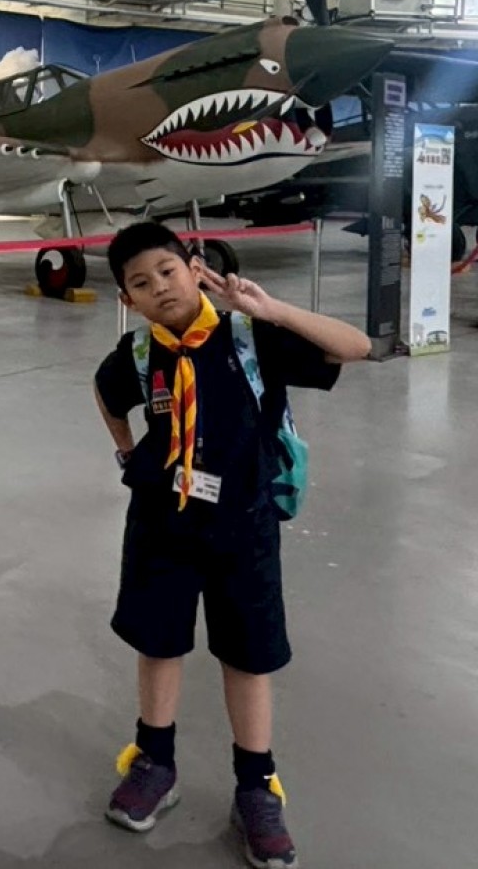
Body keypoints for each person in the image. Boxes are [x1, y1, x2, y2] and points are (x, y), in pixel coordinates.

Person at [91, 221, 371, 869]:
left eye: (168, 271)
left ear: (196, 268)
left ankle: (256, 785)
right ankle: (154, 761)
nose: (160, 288)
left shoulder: (250, 337)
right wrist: (128, 454)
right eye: (141, 283)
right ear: (128, 300)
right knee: (159, 642)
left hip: (244, 526)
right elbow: (106, 394)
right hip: (162, 524)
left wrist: (272, 309)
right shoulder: (140, 352)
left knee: (247, 654)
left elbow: (355, 347)